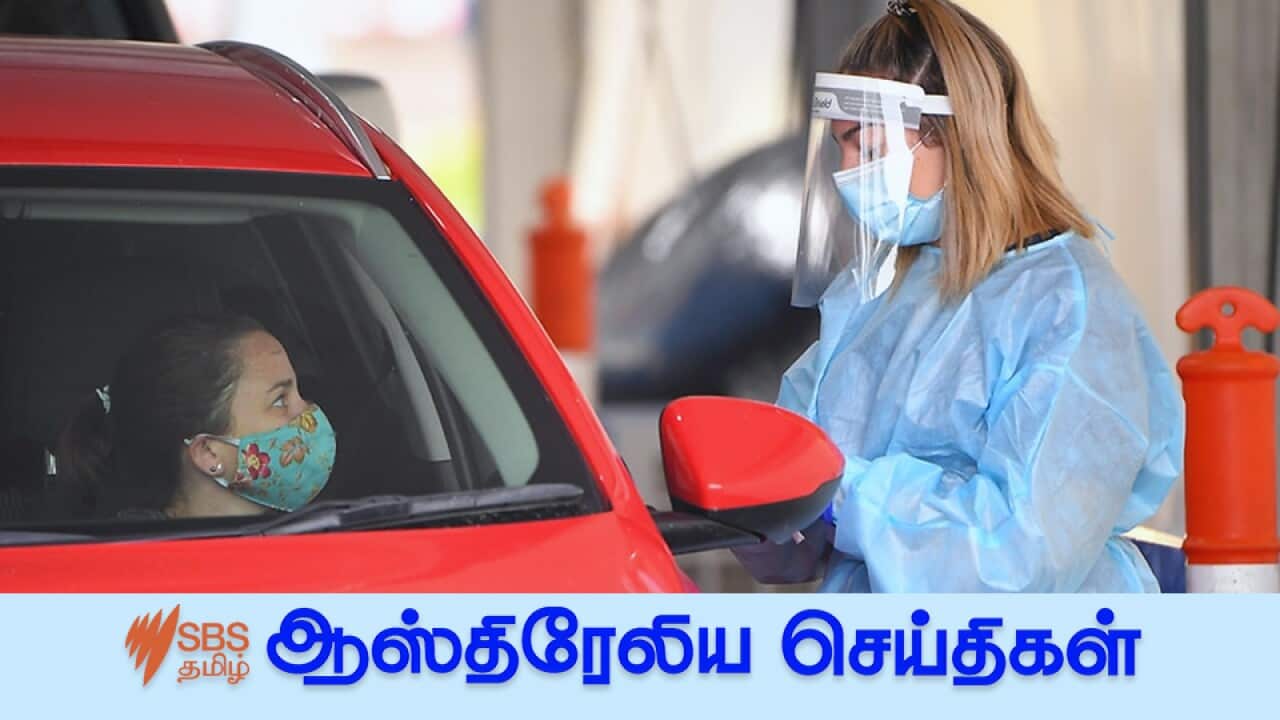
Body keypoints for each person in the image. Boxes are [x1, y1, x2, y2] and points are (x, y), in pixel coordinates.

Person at [734, 0, 1183, 592]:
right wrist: (766, 515)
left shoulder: (1068, 308)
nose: (847, 173)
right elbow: (801, 478)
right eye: (839, 147)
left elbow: (1021, 553)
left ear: (958, 135)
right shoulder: (878, 299)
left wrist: (845, 496)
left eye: (868, 150)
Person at [56, 314, 336, 519]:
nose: (308, 411)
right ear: (208, 453)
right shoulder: (143, 578)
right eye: (279, 400)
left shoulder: (312, 531)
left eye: (298, 392)